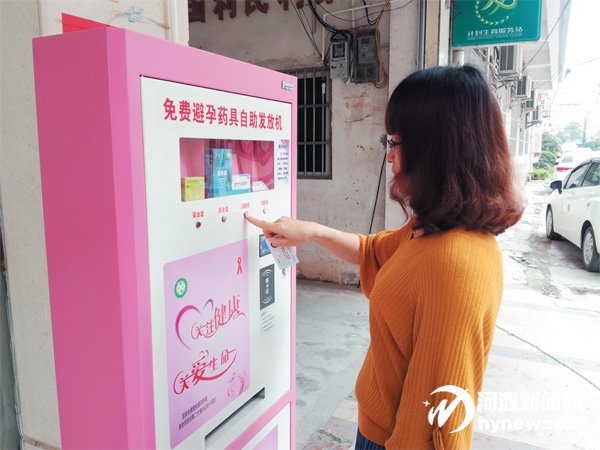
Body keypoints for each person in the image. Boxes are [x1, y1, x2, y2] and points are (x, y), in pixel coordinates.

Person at [245, 65, 523, 449]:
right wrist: (312, 231)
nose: (389, 156)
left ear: (434, 149)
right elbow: (373, 252)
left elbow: (438, 416)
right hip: (376, 428)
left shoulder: (453, 264)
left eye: (394, 141)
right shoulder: (430, 230)